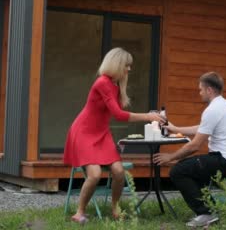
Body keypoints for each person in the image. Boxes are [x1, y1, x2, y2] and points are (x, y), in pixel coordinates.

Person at [63, 47, 166, 224]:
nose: (129, 69)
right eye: (127, 65)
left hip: (102, 133)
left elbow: (113, 113)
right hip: (84, 132)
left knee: (119, 171)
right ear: (117, 65)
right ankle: (79, 212)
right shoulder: (102, 83)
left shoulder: (114, 85)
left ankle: (115, 208)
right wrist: (148, 116)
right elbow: (118, 115)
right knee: (94, 174)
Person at [153, 72, 226, 228]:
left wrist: (170, 157)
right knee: (191, 168)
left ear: (209, 90)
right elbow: (202, 128)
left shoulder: (213, 109)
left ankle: (206, 213)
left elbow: (194, 145)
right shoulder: (225, 104)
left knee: (178, 171)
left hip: (225, 161)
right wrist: (175, 128)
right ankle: (210, 210)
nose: (199, 93)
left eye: (201, 90)